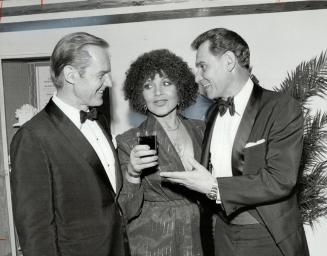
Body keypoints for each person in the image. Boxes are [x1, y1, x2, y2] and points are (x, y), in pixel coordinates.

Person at [160, 28, 309, 256]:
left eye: (203, 66)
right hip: (222, 234)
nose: (198, 76)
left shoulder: (281, 108)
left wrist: (213, 187)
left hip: (265, 235)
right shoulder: (212, 114)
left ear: (229, 61)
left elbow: (280, 179)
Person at [10, 32, 130, 256]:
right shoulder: (33, 137)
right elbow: (35, 233)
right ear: (71, 75)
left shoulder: (99, 121)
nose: (110, 82)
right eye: (101, 75)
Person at [116, 49, 205, 256]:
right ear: (139, 94)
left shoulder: (202, 130)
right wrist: (132, 174)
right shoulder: (129, 141)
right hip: (153, 241)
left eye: (166, 83)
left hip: (199, 236)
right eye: (148, 86)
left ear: (180, 87)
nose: (157, 93)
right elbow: (125, 210)